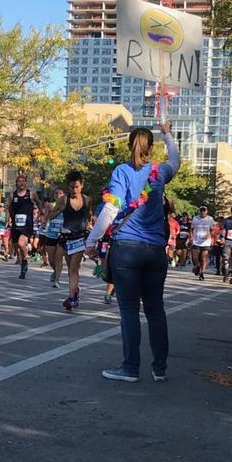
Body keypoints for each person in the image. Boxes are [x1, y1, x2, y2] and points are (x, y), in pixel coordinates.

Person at [85, 121, 180, 382]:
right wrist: (168, 134)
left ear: (129, 146)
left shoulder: (122, 171)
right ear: (151, 147)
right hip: (156, 249)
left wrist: (92, 240)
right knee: (156, 309)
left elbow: (111, 208)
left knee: (129, 310)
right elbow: (176, 160)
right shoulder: (160, 172)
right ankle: (159, 369)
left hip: (126, 248)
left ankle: (130, 368)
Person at [48, 171, 92, 310]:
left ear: (82, 186)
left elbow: (89, 216)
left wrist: (90, 227)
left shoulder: (87, 200)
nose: (74, 190)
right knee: (70, 268)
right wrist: (59, 210)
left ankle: (71, 297)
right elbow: (51, 216)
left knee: (74, 267)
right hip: (66, 238)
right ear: (68, 187)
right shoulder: (63, 200)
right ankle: (75, 291)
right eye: (72, 187)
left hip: (80, 238)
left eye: (77, 187)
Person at [7, 175, 43, 279]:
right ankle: (23, 260)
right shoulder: (12, 195)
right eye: (19, 181)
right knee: (16, 245)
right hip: (16, 224)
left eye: (23, 181)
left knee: (21, 243)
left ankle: (24, 262)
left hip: (27, 224)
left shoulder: (31, 194)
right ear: (16, 183)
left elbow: (39, 202)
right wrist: (7, 219)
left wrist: (41, 214)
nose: (21, 183)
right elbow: (8, 207)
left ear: (26, 183)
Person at [43, 188, 65, 287]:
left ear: (63, 195)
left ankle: (57, 280)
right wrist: (59, 210)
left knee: (58, 258)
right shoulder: (51, 205)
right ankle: (55, 271)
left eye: (60, 193)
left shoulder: (68, 206)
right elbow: (48, 217)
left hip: (62, 235)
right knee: (51, 260)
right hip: (51, 234)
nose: (58, 195)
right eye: (56, 193)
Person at [190, 205, 215, 281]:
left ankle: (202, 273)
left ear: (207, 211)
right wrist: (191, 237)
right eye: (201, 211)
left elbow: (213, 230)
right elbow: (191, 229)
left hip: (206, 242)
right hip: (196, 241)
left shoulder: (210, 219)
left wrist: (210, 235)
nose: (203, 212)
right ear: (199, 211)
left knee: (203, 258)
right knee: (195, 258)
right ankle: (197, 266)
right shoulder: (195, 218)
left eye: (204, 211)